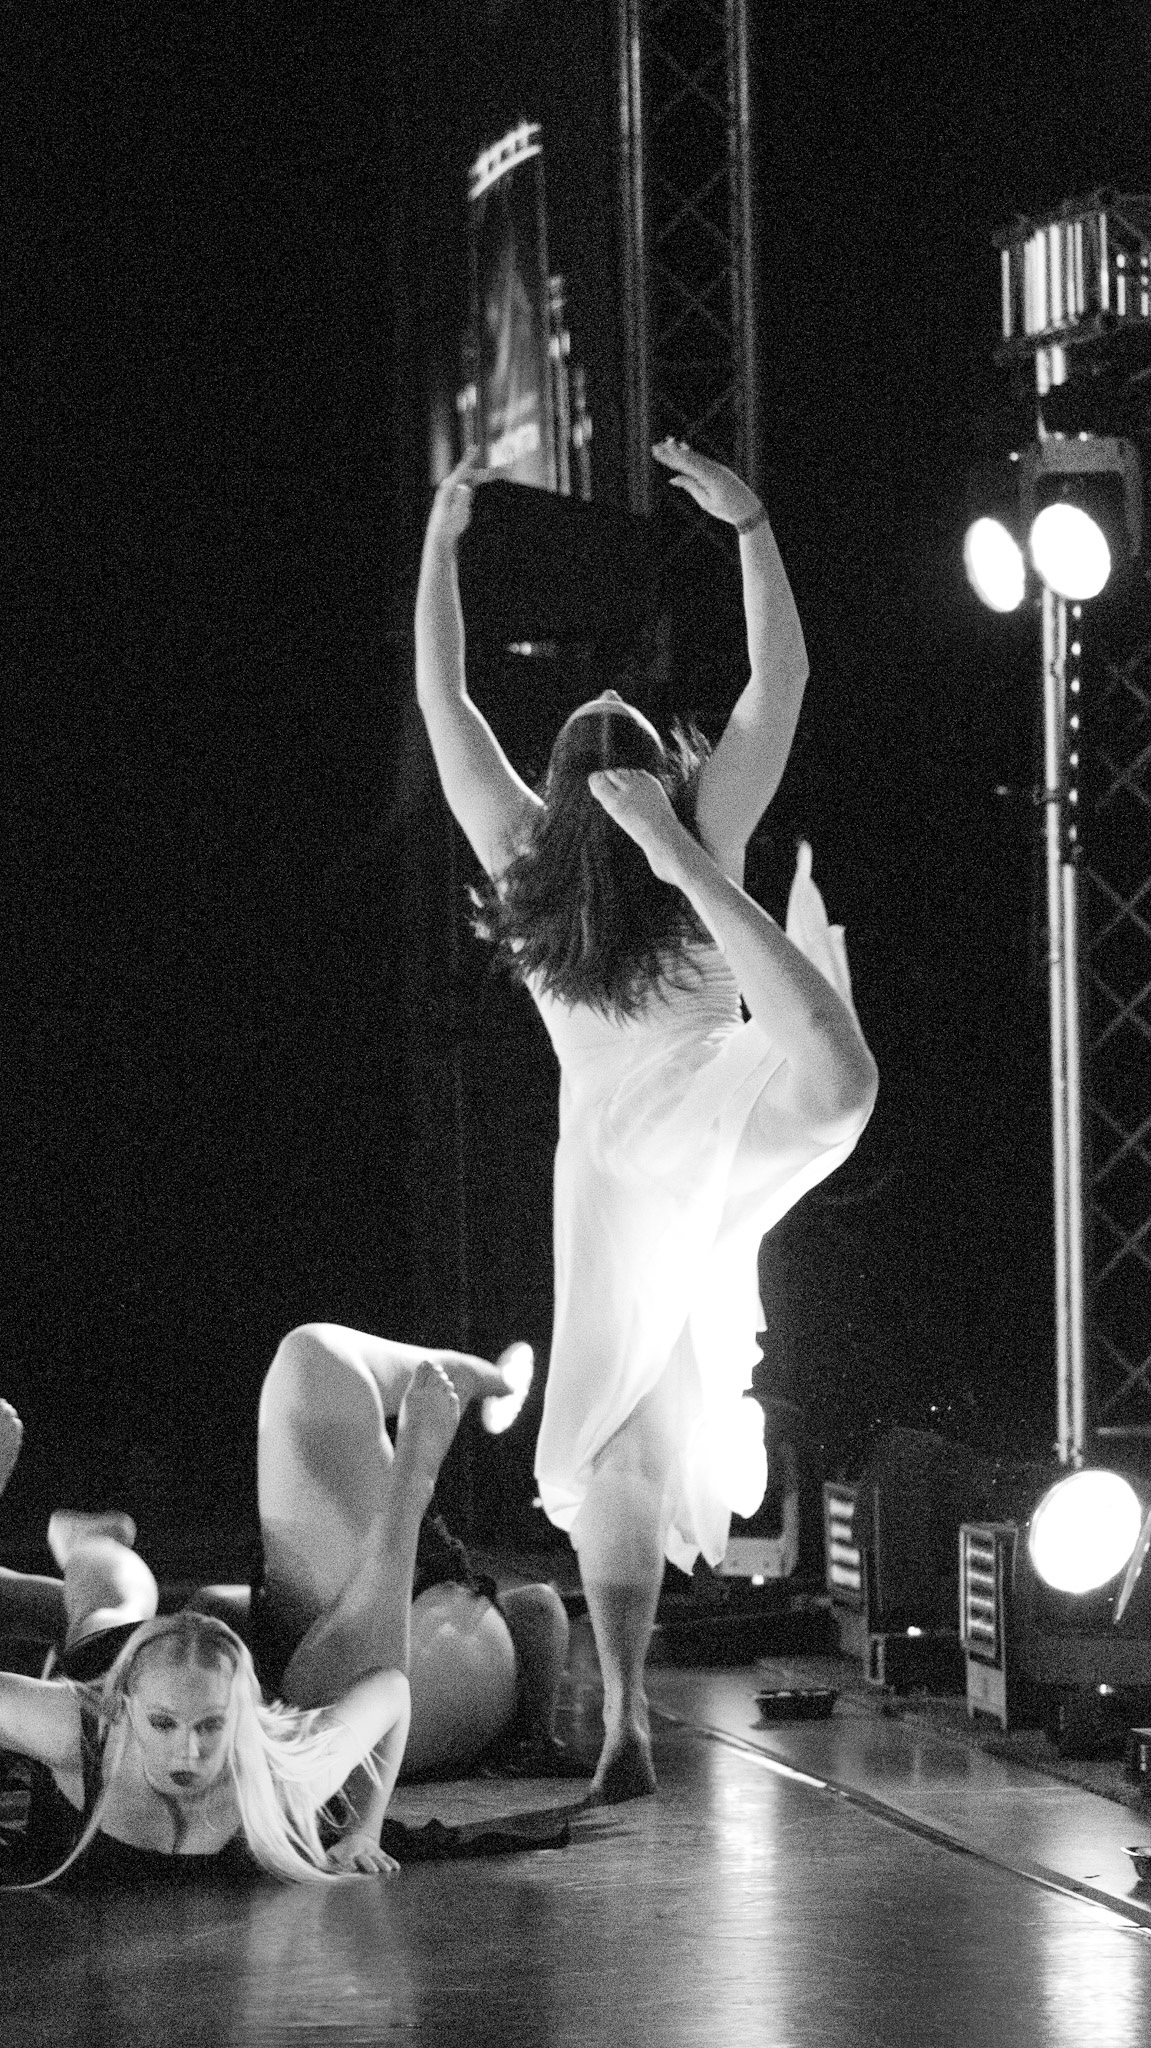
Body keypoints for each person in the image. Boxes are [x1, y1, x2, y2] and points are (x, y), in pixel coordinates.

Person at [414, 437, 879, 1801]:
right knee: (838, 1089)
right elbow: (780, 681)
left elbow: (445, 697)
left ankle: (626, 1711)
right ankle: (620, 1712)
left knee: (626, 1424)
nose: (612, 690)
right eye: (611, 708)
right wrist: (751, 527)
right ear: (631, 781)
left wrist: (440, 552)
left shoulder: (523, 858)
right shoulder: (700, 816)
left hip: (617, 1163)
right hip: (709, 1110)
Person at [0, 1360, 461, 1884]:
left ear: (240, 1719)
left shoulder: (278, 1777)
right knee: (111, 1610)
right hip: (115, 1656)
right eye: (163, 1724)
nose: (189, 1754)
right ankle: (91, 1542)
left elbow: (391, 1690)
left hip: (208, 1674)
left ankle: (409, 1489)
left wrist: (363, 1832)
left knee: (114, 1611)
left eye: (210, 1726)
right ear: (123, 1708)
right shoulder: (72, 1729)